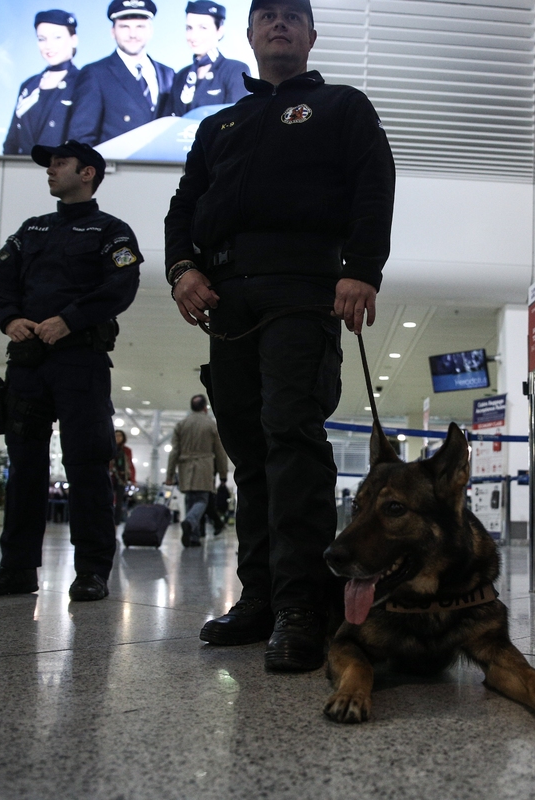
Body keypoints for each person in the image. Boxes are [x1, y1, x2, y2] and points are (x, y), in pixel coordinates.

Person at [164, 0, 396, 672]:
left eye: (293, 16)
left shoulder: (342, 107)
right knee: (251, 451)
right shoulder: (220, 124)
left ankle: (304, 605)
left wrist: (360, 272)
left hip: (304, 291)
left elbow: (373, 186)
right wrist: (182, 269)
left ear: (311, 35)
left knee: (291, 437)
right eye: (266, 16)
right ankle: (261, 597)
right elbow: (185, 206)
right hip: (227, 302)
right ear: (251, 34)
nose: (279, 24)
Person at [0, 138, 142, 602]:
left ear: (87, 173)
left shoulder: (112, 231)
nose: (51, 170)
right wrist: (9, 317)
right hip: (28, 363)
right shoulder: (32, 230)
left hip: (80, 362)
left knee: (87, 464)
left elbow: (122, 283)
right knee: (24, 465)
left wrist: (70, 318)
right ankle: (17, 568)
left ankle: (91, 570)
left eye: (60, 163)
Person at [67, 0, 174, 146]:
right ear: (113, 32)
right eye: (124, 27)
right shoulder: (95, 74)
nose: (133, 34)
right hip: (115, 167)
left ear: (150, 30)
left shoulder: (168, 74)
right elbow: (82, 138)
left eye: (140, 26)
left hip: (163, 166)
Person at [3, 10, 81, 156]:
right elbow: (11, 141)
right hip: (21, 171)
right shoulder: (28, 85)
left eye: (57, 37)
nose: (48, 46)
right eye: (41, 39)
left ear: (73, 40)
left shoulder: (83, 82)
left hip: (61, 171)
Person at [165, 393, 229, 547]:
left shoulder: (182, 424)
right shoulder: (211, 424)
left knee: (190, 500)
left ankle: (193, 537)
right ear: (205, 407)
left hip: (185, 466)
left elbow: (174, 451)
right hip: (204, 466)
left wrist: (170, 474)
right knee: (201, 500)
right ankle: (190, 522)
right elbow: (220, 451)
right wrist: (223, 474)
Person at [171, 1, 250, 117]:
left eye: (203, 28)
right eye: (189, 28)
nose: (193, 36)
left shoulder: (235, 70)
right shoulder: (181, 76)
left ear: (219, 31)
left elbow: (239, 119)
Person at [110, 429, 135, 523]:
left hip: (121, 479)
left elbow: (130, 465)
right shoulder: (109, 448)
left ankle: (116, 524)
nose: (118, 438)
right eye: (116, 435)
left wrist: (132, 479)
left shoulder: (127, 450)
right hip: (110, 478)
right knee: (108, 501)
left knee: (119, 504)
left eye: (120, 435)